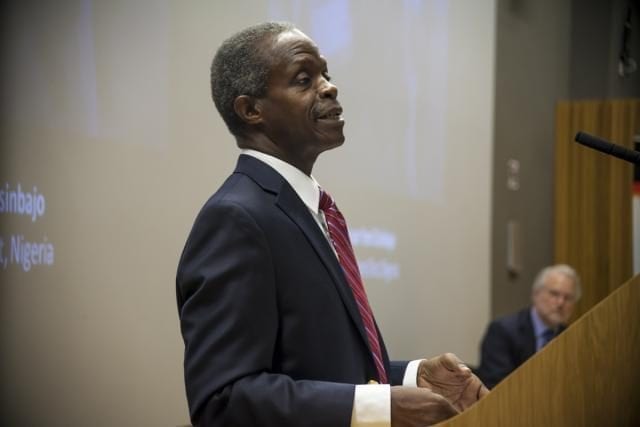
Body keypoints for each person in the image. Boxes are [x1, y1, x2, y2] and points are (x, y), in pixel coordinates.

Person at [176, 22, 488, 427]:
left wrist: (413, 377)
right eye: (304, 79)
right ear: (251, 110)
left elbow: (323, 370)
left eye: (326, 74)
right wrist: (382, 409)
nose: (329, 88)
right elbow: (223, 400)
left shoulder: (308, 209)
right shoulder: (237, 218)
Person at [476, 264, 581, 389]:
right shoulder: (502, 331)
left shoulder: (571, 337)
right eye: (554, 294)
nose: (560, 303)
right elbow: (496, 387)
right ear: (536, 294)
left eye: (568, 298)